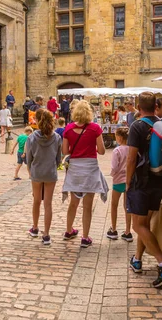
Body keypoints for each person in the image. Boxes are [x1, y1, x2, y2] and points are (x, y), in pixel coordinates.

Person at [126, 92, 162, 288]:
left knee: (137, 225)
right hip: (159, 179)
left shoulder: (137, 126)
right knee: (145, 222)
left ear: (139, 107)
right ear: (156, 106)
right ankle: (137, 259)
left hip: (141, 181)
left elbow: (131, 158)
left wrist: (128, 181)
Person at [62, 100, 108, 248]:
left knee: (73, 203)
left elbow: (64, 151)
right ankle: (85, 237)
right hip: (90, 168)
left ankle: (69, 230)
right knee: (87, 206)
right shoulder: (95, 128)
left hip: (75, 168)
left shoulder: (68, 129)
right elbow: (101, 151)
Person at [26, 109, 63, 245]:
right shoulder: (57, 137)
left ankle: (35, 227)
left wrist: (30, 169)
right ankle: (46, 234)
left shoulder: (32, 137)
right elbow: (59, 159)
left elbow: (29, 157)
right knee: (48, 203)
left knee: (36, 200)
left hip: (37, 171)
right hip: (50, 173)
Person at [107, 127, 133, 242]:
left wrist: (112, 175)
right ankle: (127, 231)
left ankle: (113, 229)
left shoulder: (117, 151)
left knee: (114, 205)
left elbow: (114, 167)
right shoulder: (132, 149)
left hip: (118, 180)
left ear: (120, 138)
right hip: (129, 180)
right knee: (127, 206)